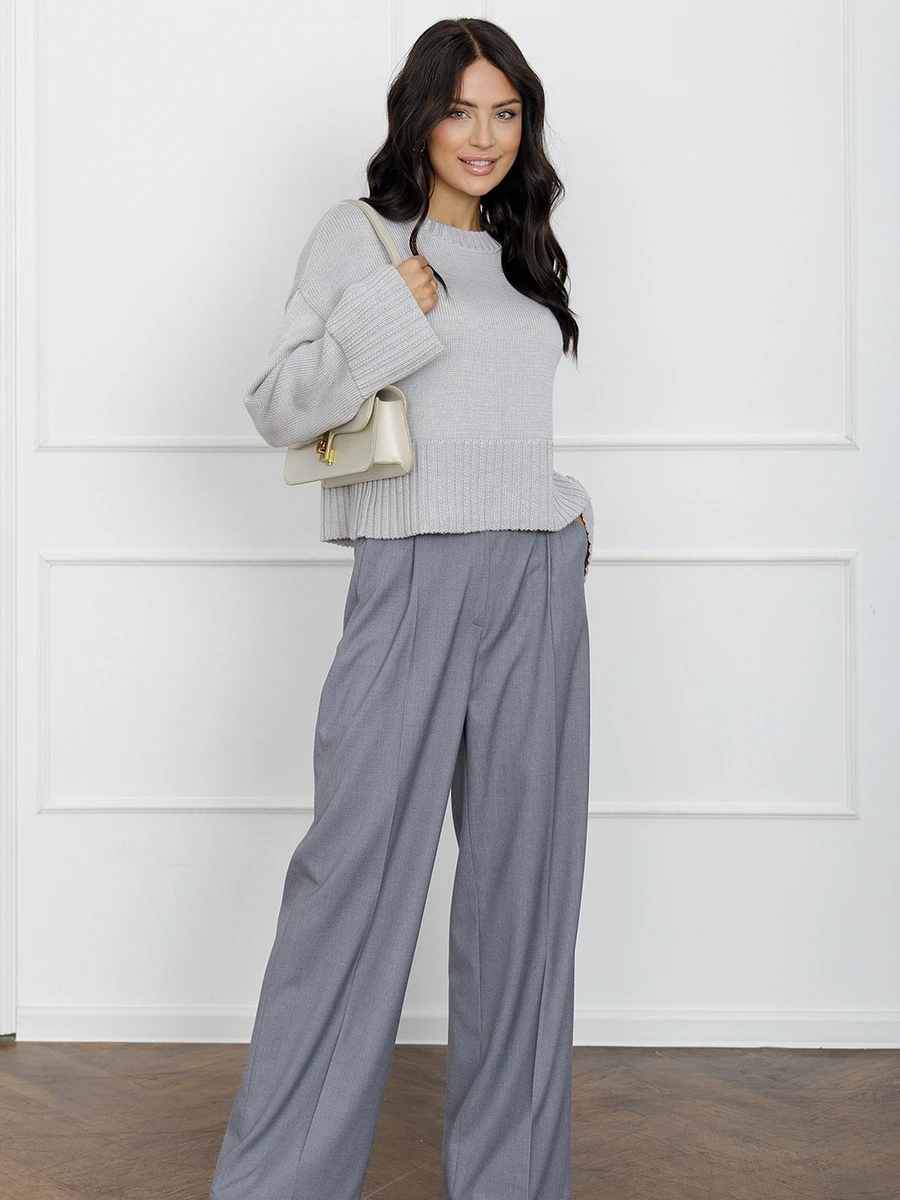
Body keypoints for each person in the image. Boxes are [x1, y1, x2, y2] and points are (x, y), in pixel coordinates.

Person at [209, 16, 593, 1200]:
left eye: (505, 112)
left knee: (525, 898)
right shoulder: (361, 236)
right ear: (419, 115)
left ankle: (512, 1182)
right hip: (411, 576)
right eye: (460, 109)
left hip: (535, 581)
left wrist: (566, 515)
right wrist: (387, 313)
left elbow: (501, 420)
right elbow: (278, 404)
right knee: (354, 883)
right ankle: (280, 1183)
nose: (483, 136)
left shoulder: (524, 250)